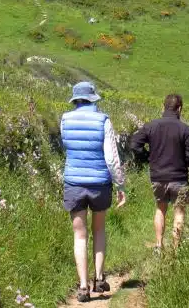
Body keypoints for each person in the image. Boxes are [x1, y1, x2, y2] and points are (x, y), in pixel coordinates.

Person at [61, 81, 126, 303]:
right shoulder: (103, 120)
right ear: (93, 99)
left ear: (75, 100)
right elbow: (111, 157)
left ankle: (82, 287)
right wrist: (120, 184)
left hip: (74, 183)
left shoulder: (65, 120)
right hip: (99, 183)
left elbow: (66, 145)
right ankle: (99, 279)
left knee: (79, 235)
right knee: (98, 230)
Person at [130, 93, 189, 251]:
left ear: (163, 107)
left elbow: (135, 144)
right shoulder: (185, 129)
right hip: (179, 177)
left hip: (158, 176)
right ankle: (176, 249)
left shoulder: (151, 126)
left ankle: (158, 245)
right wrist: (186, 162)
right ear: (180, 109)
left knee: (160, 209)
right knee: (179, 212)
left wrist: (146, 157)